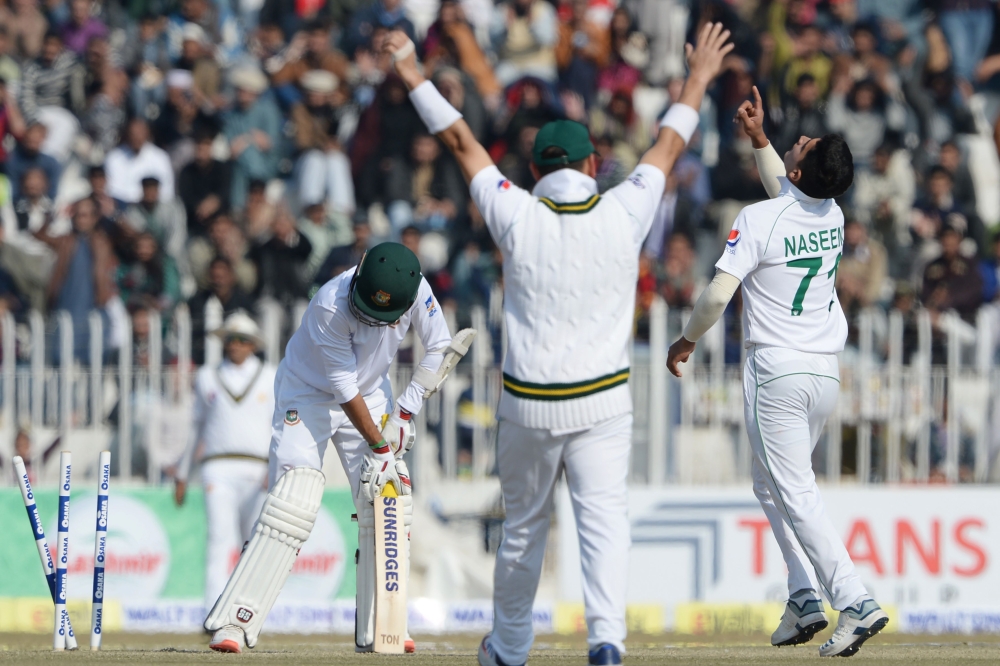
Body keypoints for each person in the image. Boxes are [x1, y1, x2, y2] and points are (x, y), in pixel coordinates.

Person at [385, 23, 731, 666]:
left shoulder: (515, 210)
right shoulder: (625, 208)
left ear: (536, 169)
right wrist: (700, 78)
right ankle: (606, 641)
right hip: (603, 401)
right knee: (604, 526)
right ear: (593, 166)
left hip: (529, 402)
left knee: (522, 531)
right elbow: (668, 141)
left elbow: (459, 140)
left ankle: (510, 648)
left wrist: (410, 71)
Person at [666, 87, 890, 658]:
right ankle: (802, 595)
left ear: (800, 167)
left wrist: (687, 339)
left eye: (805, 143)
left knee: (794, 490)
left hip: (777, 373)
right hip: (823, 373)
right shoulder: (832, 214)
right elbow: (784, 198)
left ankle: (855, 600)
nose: (801, 138)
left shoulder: (759, 216)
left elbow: (718, 292)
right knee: (772, 485)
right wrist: (761, 139)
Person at [205, 242, 463, 656]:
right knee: (295, 496)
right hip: (308, 394)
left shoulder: (417, 290)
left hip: (373, 393)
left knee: (386, 498)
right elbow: (343, 388)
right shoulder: (330, 303)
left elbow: (439, 346)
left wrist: (403, 413)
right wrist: (380, 443)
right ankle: (235, 619)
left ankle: (387, 622)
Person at [174, 312, 276, 613]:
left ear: (253, 345)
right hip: (217, 467)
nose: (235, 346)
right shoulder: (207, 375)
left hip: (258, 468)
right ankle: (213, 611)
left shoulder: (270, 376)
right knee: (220, 538)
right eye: (230, 340)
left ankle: (248, 611)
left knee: (254, 542)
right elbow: (196, 426)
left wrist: (276, 465)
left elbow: (279, 425)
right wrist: (182, 473)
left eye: (242, 340)